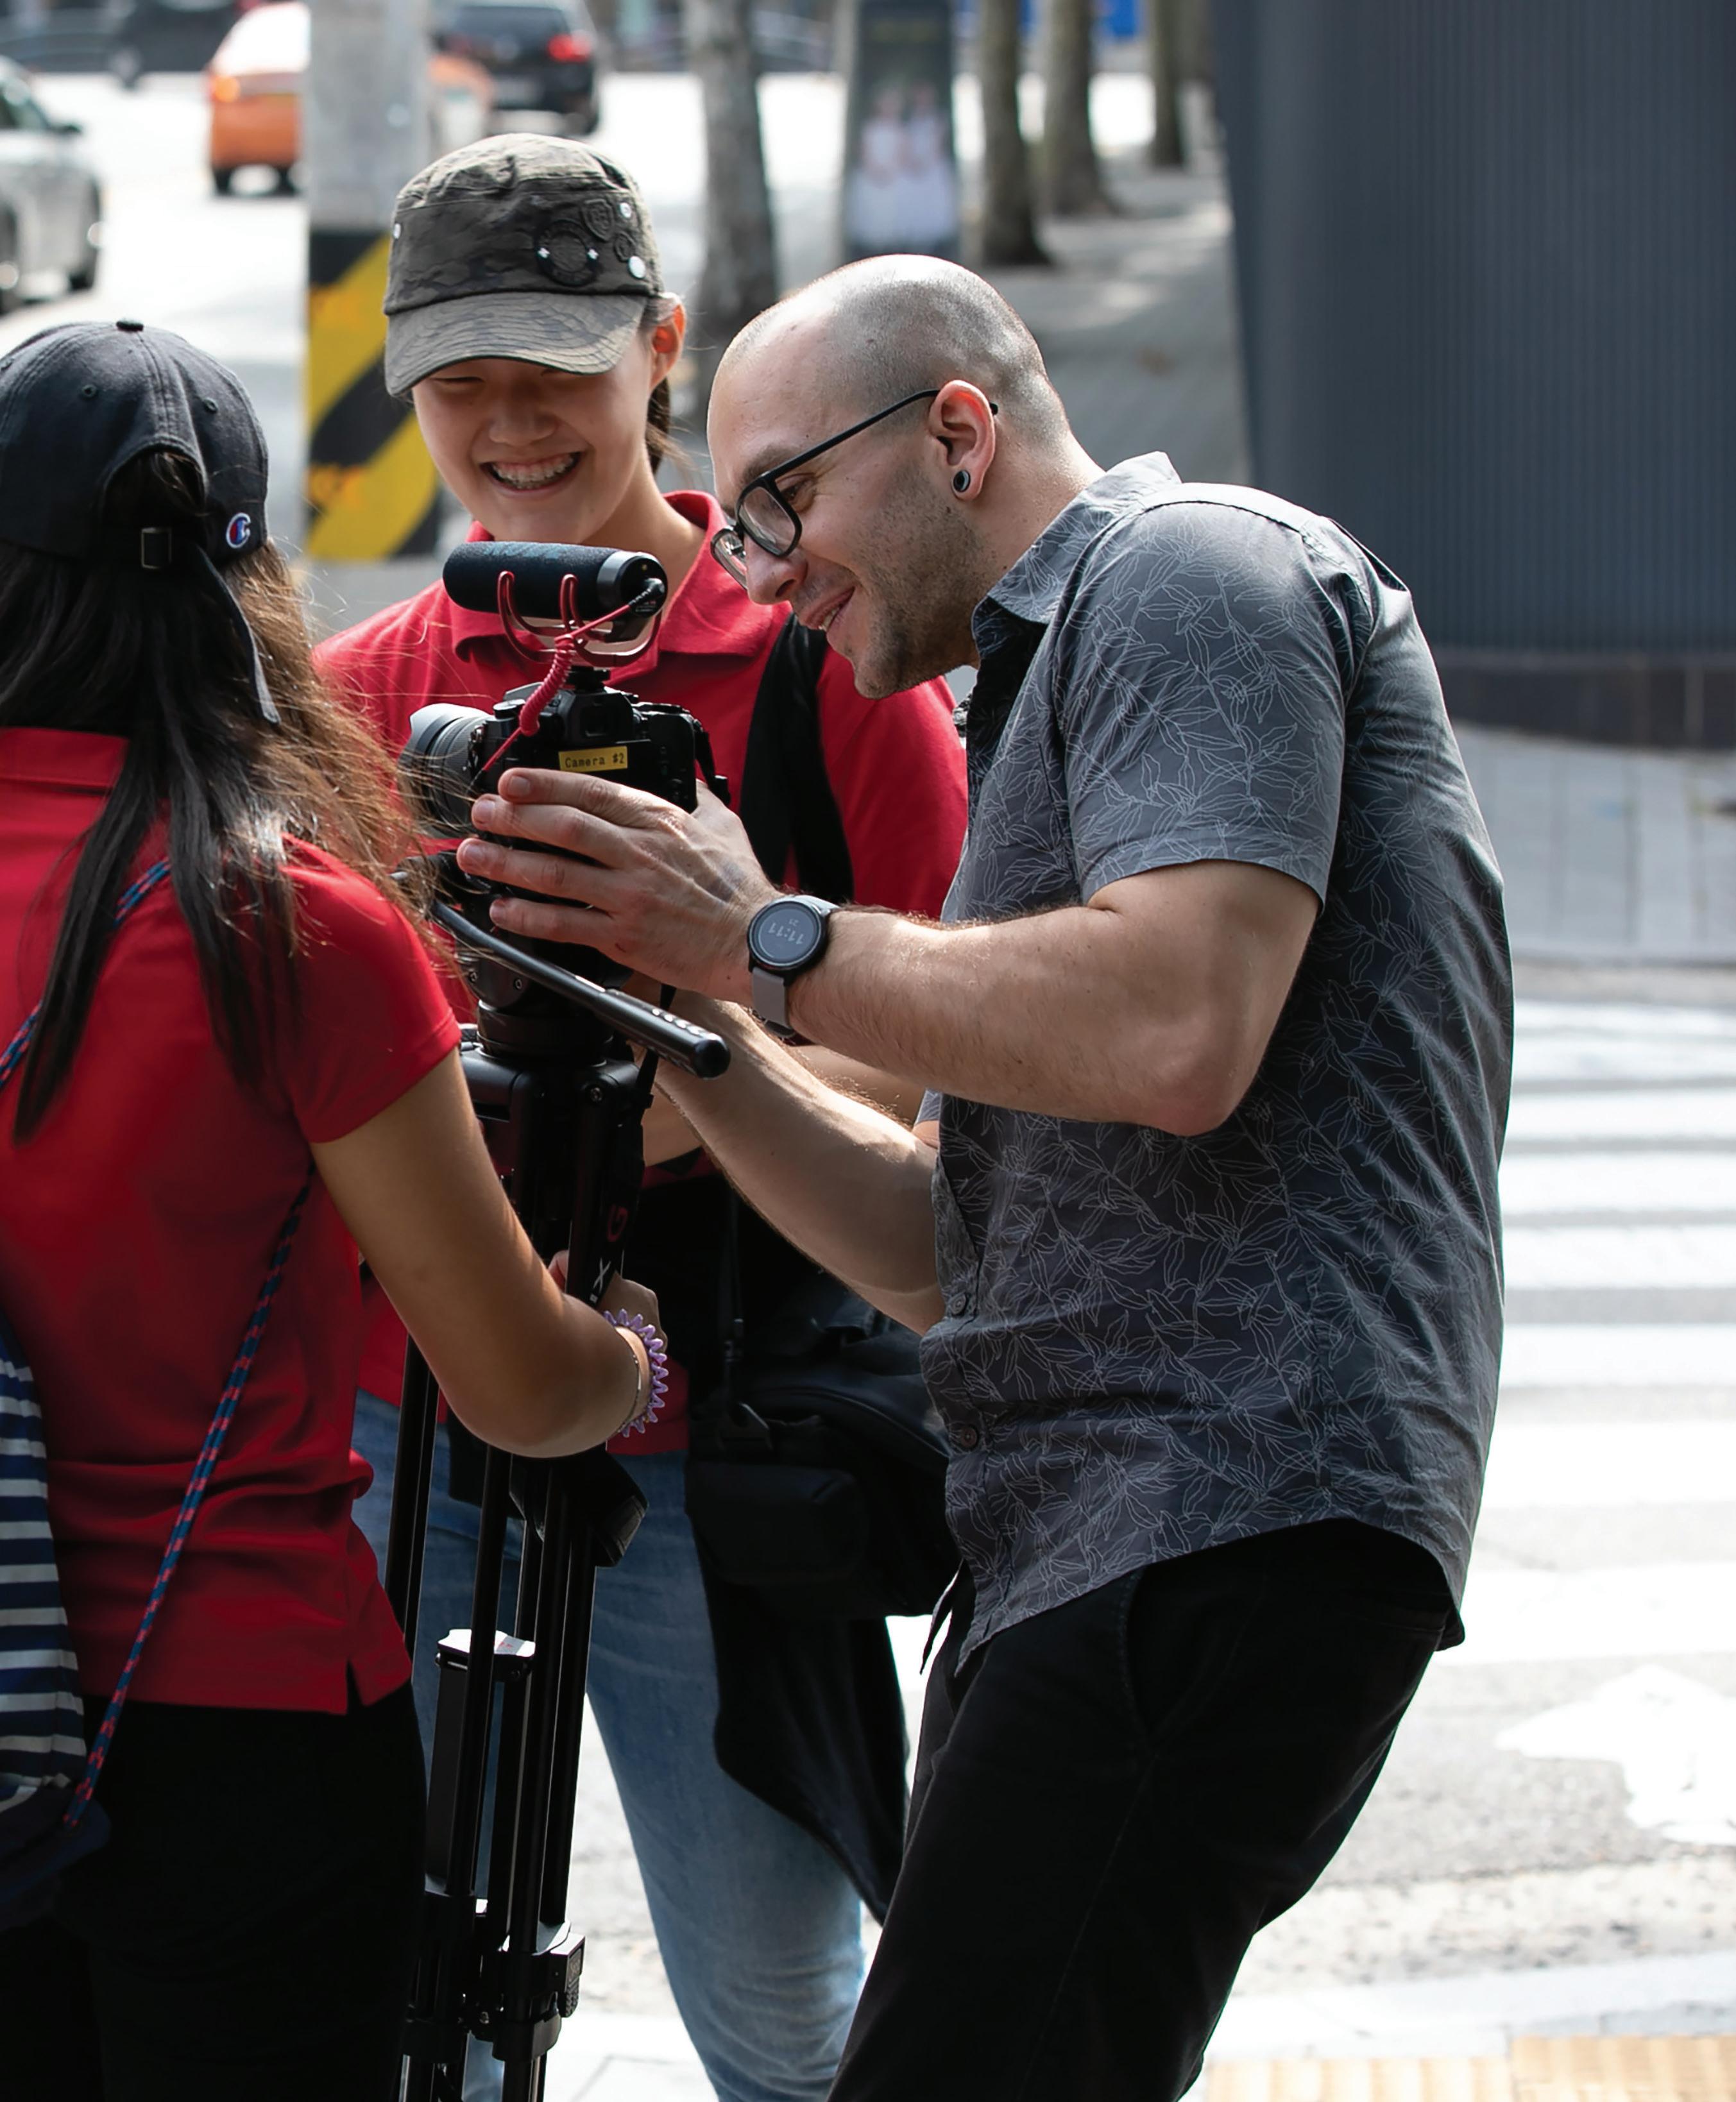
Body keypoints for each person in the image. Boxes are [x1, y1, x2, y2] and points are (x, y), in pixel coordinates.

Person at [445, 255, 1515, 2101]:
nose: (759, 572)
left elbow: (1179, 1025)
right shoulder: (1037, 686)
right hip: (1105, 1539)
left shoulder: (1191, 573)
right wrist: (679, 1006)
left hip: (1217, 1503)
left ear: (956, 431)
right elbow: (940, 1249)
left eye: (781, 499)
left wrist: (764, 932)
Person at [315, 137, 968, 2102]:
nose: (509, 424)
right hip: (410, 1428)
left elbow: (934, 1067)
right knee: (400, 2018)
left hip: (729, 1448)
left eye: (556, 371)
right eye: (461, 382)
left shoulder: (829, 671)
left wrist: (637, 1104)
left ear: (662, 349)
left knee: (785, 2023)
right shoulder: (362, 701)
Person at [0, 319, 660, 2102]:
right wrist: (630, 1354)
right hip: (239, 1722)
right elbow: (520, 1389)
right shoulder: (287, 920)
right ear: (248, 591)